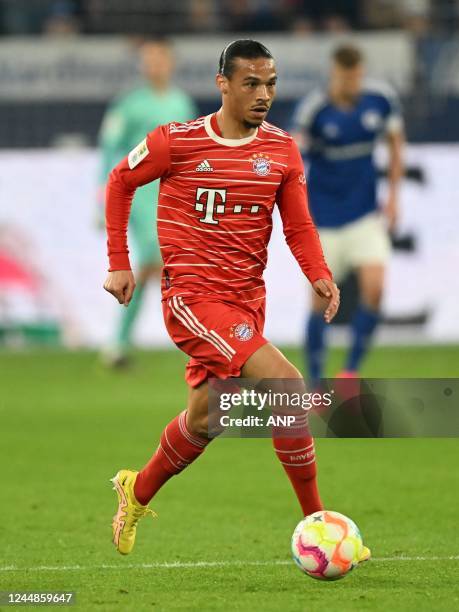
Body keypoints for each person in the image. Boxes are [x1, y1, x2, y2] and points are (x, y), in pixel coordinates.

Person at [103, 39, 369, 561]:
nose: (263, 94)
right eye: (251, 83)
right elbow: (119, 181)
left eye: (271, 84)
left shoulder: (281, 149)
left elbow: (297, 223)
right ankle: (318, 524)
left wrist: (319, 273)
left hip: (246, 302)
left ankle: (135, 492)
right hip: (193, 300)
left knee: (204, 420)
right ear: (222, 83)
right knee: (288, 386)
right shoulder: (174, 142)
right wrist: (118, 260)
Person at [292, 44, 404, 382]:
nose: (352, 84)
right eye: (345, 77)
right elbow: (293, 156)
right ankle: (314, 382)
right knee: (319, 303)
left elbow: (396, 143)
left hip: (364, 217)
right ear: (333, 74)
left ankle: (350, 371)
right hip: (323, 222)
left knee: (376, 289)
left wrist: (394, 197)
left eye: (356, 77)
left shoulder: (380, 100)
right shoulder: (314, 110)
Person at [99, 37, 197, 366]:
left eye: (160, 58)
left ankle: (121, 343)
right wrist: (103, 194)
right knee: (155, 259)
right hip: (139, 192)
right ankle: (123, 341)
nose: (154, 65)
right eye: (149, 59)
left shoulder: (181, 102)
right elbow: (110, 150)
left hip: (174, 193)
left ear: (170, 63)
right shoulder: (128, 105)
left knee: (163, 266)